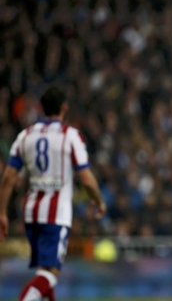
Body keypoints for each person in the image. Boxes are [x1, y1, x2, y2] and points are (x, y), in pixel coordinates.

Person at [0, 86, 106, 301]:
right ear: (64, 108)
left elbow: (9, 177)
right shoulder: (70, 136)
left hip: (31, 212)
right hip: (56, 214)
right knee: (50, 274)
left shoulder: (25, 136)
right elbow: (86, 178)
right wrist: (98, 201)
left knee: (44, 272)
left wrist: (1, 212)